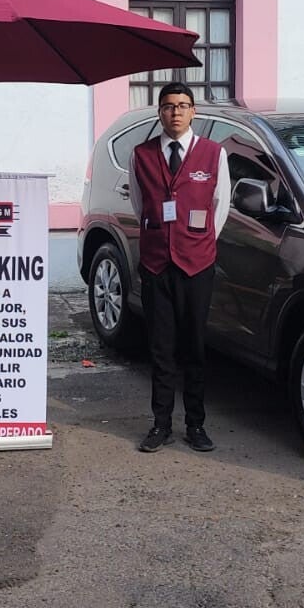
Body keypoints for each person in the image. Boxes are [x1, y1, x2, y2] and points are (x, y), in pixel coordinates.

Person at [129, 82, 230, 453]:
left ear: (193, 112)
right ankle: (161, 425)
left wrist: (197, 243)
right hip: (156, 264)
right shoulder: (141, 154)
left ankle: (195, 424)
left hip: (196, 264)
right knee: (161, 349)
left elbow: (221, 205)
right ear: (160, 112)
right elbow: (140, 204)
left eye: (183, 105)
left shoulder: (213, 153)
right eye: (169, 106)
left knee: (194, 348)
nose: (176, 112)